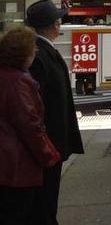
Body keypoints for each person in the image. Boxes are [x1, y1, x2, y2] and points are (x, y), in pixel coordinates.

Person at [25, 0, 83, 225]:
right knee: (45, 197)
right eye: (59, 20)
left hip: (51, 142)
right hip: (48, 144)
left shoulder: (43, 51)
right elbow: (35, 106)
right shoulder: (39, 57)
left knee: (48, 195)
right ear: (54, 25)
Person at [0, 27, 61, 224]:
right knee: (22, 213)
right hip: (17, 164)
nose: (35, 52)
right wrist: (48, 155)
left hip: (6, 161)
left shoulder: (5, 76)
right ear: (23, 54)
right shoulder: (20, 82)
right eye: (32, 49)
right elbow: (29, 124)